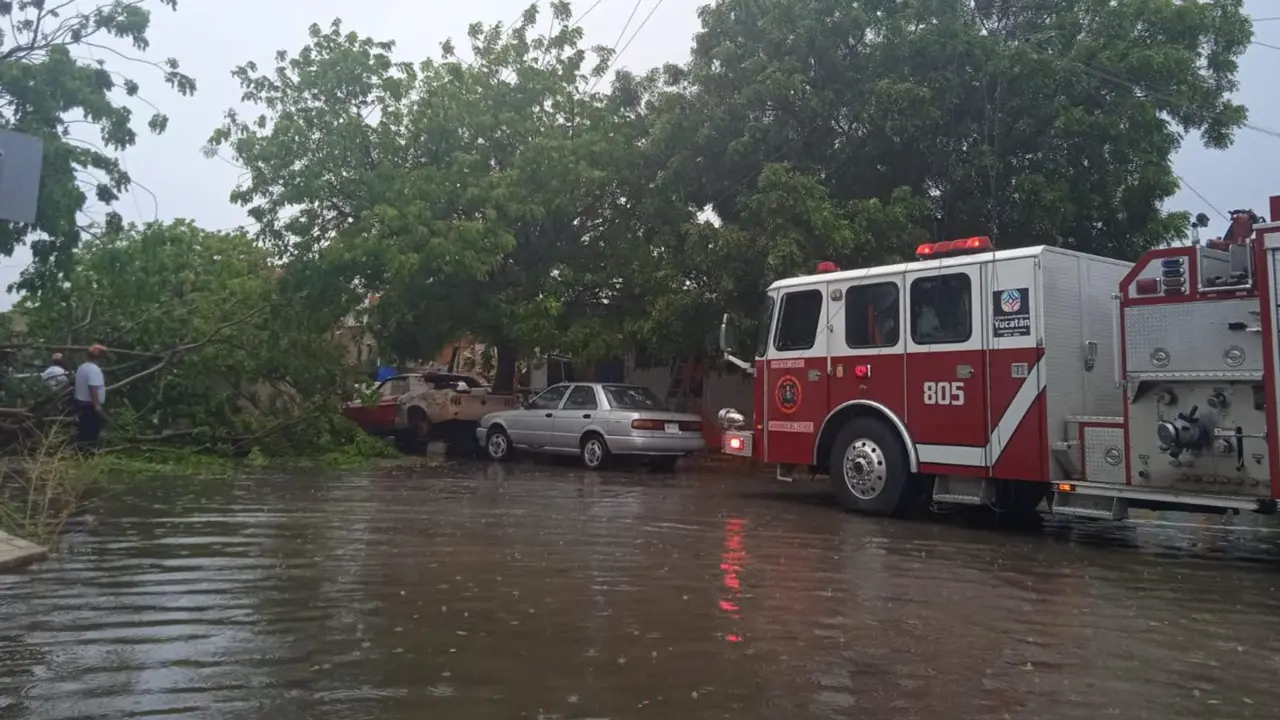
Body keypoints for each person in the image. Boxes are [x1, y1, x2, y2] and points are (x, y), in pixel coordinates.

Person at [73, 344, 109, 448]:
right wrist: (97, 407)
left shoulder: (82, 367)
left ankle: (81, 458)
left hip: (81, 405)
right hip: (90, 407)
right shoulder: (94, 369)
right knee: (91, 437)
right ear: (100, 357)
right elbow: (93, 388)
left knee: (83, 434)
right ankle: (87, 459)